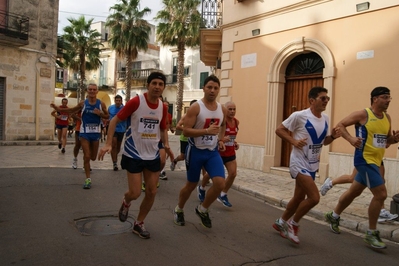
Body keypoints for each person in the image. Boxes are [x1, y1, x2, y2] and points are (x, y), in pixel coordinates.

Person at [98, 72, 170, 239]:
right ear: (148, 85)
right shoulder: (137, 102)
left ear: (163, 87)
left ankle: (139, 223)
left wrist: (164, 145)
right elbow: (115, 120)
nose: (157, 87)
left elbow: (162, 127)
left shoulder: (163, 107)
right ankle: (126, 201)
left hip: (152, 154)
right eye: (154, 83)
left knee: (152, 192)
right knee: (135, 192)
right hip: (133, 153)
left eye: (161, 84)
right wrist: (108, 143)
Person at [325, 86, 399, 249]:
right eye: (385, 97)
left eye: (389, 98)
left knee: (354, 191)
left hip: (377, 160)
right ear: (375, 99)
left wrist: (395, 138)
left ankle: (334, 215)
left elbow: (386, 141)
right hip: (364, 160)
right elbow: (340, 125)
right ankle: (371, 233)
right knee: (381, 195)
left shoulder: (387, 117)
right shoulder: (363, 114)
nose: (388, 101)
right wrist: (350, 139)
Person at [272, 86, 339, 244]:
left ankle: (281, 222)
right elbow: (279, 130)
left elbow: (323, 141)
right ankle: (292, 224)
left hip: (312, 164)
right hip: (298, 162)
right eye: (323, 98)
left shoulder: (326, 119)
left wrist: (334, 137)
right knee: (314, 198)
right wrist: (294, 141)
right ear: (312, 100)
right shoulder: (299, 116)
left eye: (327, 99)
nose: (326, 101)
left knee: (298, 197)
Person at [173, 75, 227, 229]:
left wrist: (221, 140)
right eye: (209, 87)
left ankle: (202, 209)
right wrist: (206, 131)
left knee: (219, 183)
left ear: (218, 90)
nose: (212, 90)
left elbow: (223, 125)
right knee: (191, 185)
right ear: (204, 88)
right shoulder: (196, 107)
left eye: (215, 88)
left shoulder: (221, 109)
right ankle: (179, 209)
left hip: (212, 152)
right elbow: (187, 132)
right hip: (195, 151)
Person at [50, 83, 109, 189]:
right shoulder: (83, 103)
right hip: (84, 132)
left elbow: (107, 116)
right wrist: (58, 108)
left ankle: (87, 165)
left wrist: (99, 114)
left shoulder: (101, 104)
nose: (91, 91)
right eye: (90, 89)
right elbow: (71, 110)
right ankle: (88, 179)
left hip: (95, 133)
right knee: (86, 156)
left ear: (97, 91)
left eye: (94, 89)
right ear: (87, 91)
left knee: (93, 157)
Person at [320, 163, 398, 222]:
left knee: (379, 182)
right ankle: (330, 183)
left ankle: (334, 215)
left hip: (376, 157)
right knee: (353, 179)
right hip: (365, 158)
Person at [197, 101, 239, 208]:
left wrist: (234, 143)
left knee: (233, 173)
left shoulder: (236, 122)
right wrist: (221, 140)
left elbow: (232, 136)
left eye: (234, 109)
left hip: (230, 153)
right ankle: (201, 188)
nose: (232, 111)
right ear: (225, 110)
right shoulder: (220, 122)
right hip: (218, 153)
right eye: (230, 109)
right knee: (210, 174)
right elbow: (213, 135)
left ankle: (223, 194)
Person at [170, 99, 197, 171]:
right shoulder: (186, 116)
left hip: (194, 139)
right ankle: (175, 161)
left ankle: (203, 176)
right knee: (183, 156)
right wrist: (187, 130)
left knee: (196, 156)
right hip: (185, 138)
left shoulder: (200, 116)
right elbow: (178, 126)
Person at [108, 95, 126, 171]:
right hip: (113, 129)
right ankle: (114, 163)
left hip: (121, 130)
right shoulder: (110, 108)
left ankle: (115, 156)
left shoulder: (125, 108)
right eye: (117, 100)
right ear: (114, 101)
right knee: (114, 144)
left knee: (118, 147)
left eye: (119, 100)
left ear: (121, 101)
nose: (118, 102)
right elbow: (107, 116)